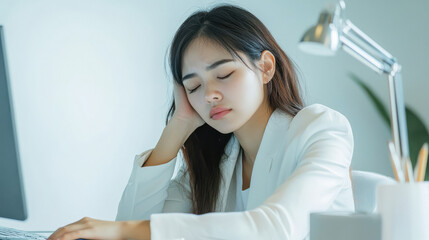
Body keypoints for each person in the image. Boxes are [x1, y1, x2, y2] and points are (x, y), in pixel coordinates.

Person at [47, 4, 354, 240]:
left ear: (265, 68)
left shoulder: (320, 128)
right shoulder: (217, 160)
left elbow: (276, 227)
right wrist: (179, 125)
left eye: (223, 75)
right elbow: (132, 223)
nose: (209, 95)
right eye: (193, 86)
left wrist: (125, 230)